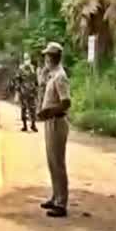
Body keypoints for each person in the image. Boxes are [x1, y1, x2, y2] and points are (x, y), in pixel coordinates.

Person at [38, 42, 71, 218]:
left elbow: (66, 102)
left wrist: (48, 111)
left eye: (47, 56)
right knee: (52, 162)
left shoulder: (60, 76)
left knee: (58, 162)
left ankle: (61, 203)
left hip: (57, 122)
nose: (45, 59)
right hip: (51, 122)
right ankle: (55, 196)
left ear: (53, 57)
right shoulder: (52, 75)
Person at [15, 54, 38, 132]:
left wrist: (36, 90)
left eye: (28, 59)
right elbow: (17, 80)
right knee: (24, 108)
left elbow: (36, 80)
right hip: (23, 92)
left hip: (32, 91)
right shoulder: (20, 69)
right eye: (26, 59)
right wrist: (17, 91)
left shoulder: (33, 68)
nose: (27, 60)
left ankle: (33, 125)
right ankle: (24, 125)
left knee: (33, 108)